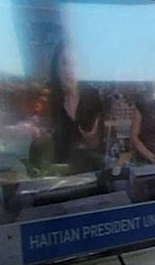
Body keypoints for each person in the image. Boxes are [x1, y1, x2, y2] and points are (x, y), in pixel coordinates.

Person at [32, 39, 104, 171]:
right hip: (54, 171)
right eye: (65, 63)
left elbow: (99, 146)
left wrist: (92, 139)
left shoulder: (92, 96)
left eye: (75, 64)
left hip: (87, 171)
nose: (69, 70)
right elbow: (37, 146)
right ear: (56, 67)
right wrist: (40, 139)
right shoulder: (46, 96)